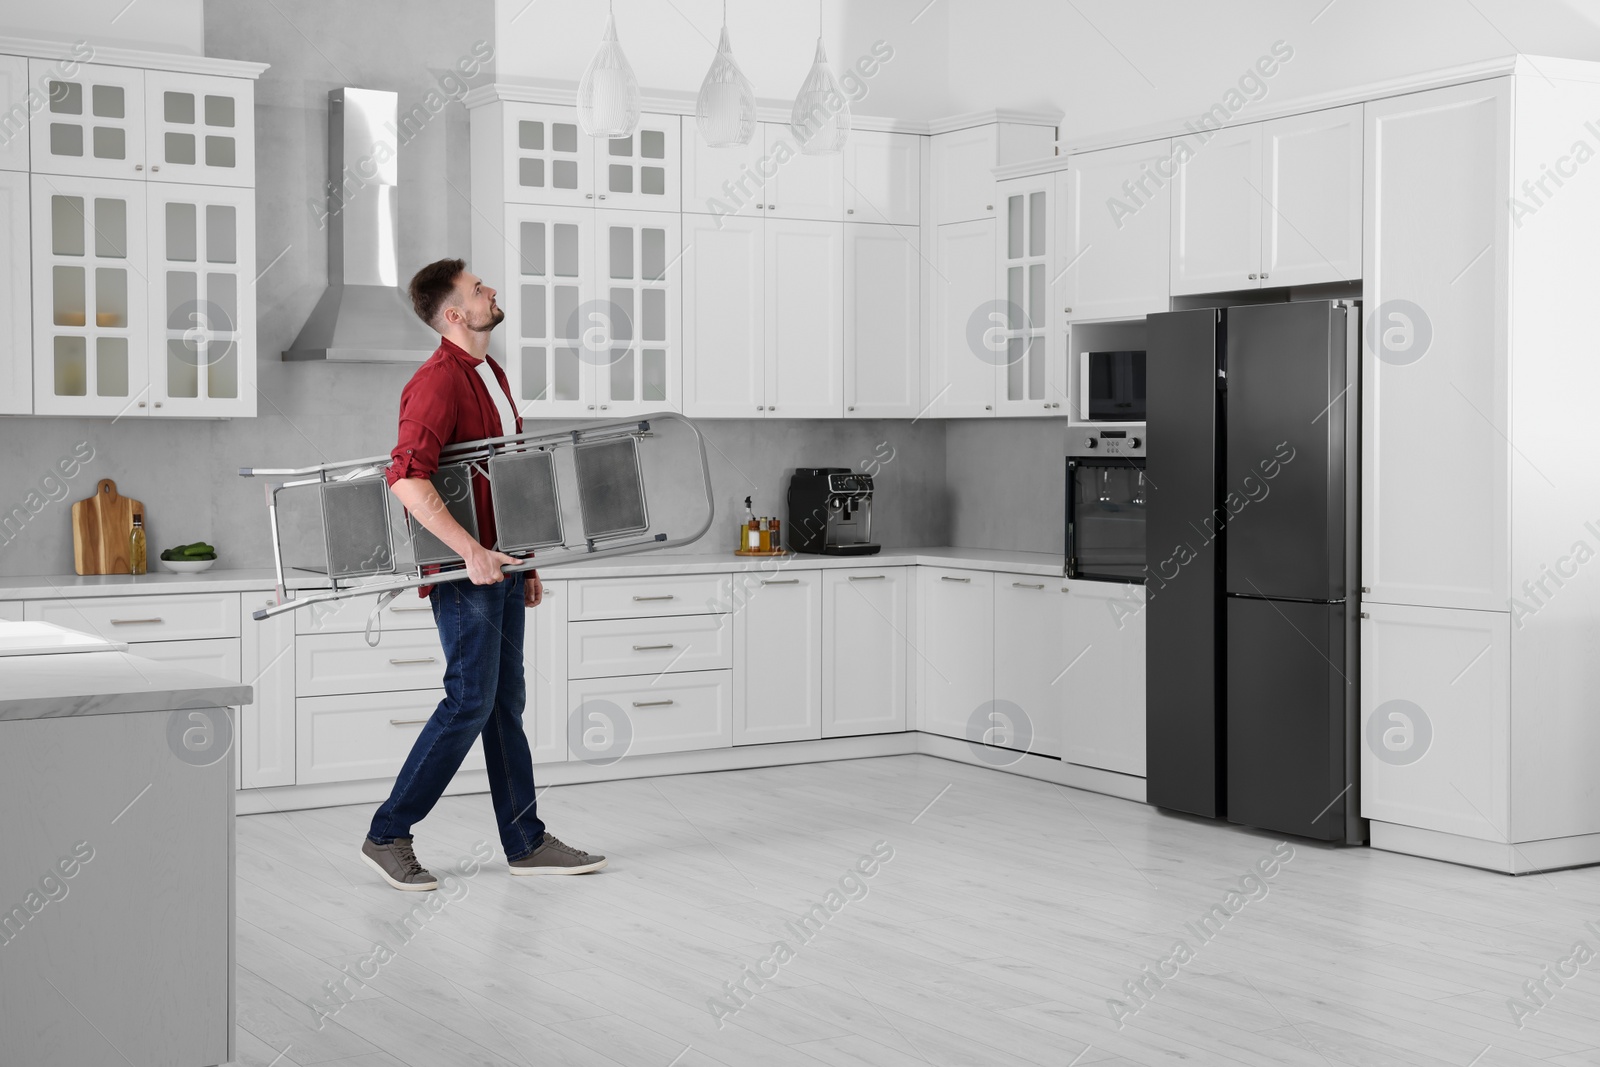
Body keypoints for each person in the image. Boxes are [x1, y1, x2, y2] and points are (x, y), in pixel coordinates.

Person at [359, 257, 606, 891]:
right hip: (463, 571)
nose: (490, 291)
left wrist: (525, 559)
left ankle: (524, 840)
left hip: (499, 565)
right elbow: (407, 479)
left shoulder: (490, 373)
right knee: (470, 700)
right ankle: (388, 833)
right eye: (477, 289)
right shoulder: (438, 382)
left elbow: (505, 475)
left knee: (502, 705)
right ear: (453, 314)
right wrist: (471, 552)